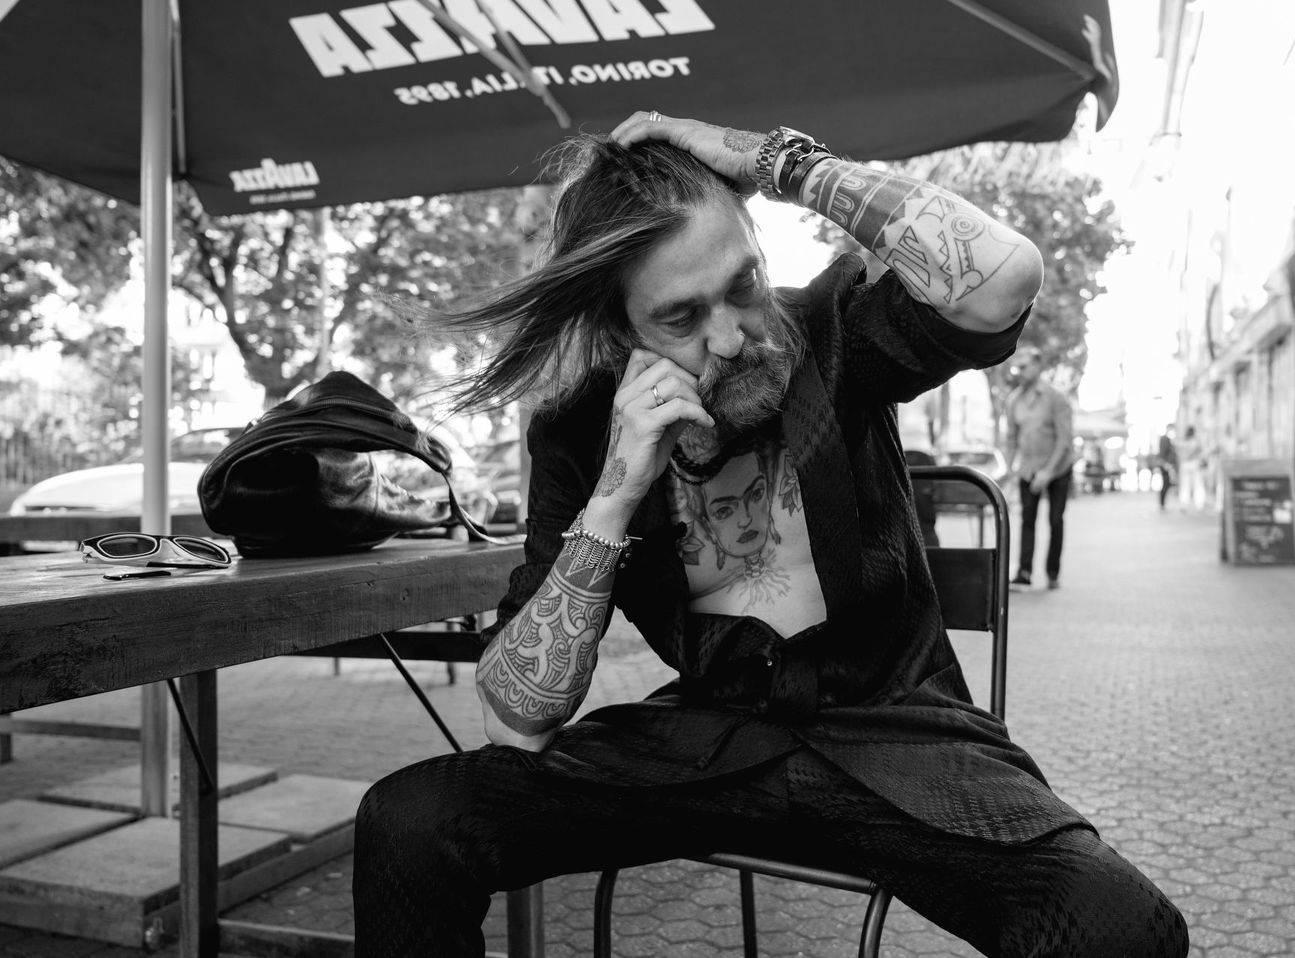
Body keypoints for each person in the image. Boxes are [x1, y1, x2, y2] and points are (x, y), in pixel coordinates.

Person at [353, 113, 1188, 958]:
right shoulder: (579, 434)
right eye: (680, 318)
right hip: (706, 748)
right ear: (620, 333)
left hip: (899, 742)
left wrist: (779, 162)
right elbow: (517, 726)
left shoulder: (832, 335)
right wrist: (615, 495)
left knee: (1120, 924)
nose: (731, 336)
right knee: (411, 821)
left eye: (743, 284)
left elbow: (1003, 279)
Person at [1002, 347, 1075, 590]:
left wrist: (1048, 472)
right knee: (1027, 520)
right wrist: (1009, 472)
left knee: (1055, 520)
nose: (1019, 372)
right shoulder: (1013, 400)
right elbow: (1011, 439)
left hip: (1058, 467)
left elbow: (1064, 440)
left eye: (1023, 367)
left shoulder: (1056, 398)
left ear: (1037, 366)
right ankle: (1024, 572)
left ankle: (1052, 573)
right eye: (1017, 367)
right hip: (1028, 468)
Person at [1156, 424, 1178, 511]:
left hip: (1167, 464)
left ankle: (1162, 503)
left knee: (1167, 484)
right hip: (1165, 465)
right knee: (1166, 484)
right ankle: (1162, 503)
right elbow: (1162, 453)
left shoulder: (1169, 439)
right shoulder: (1165, 439)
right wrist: (1165, 464)